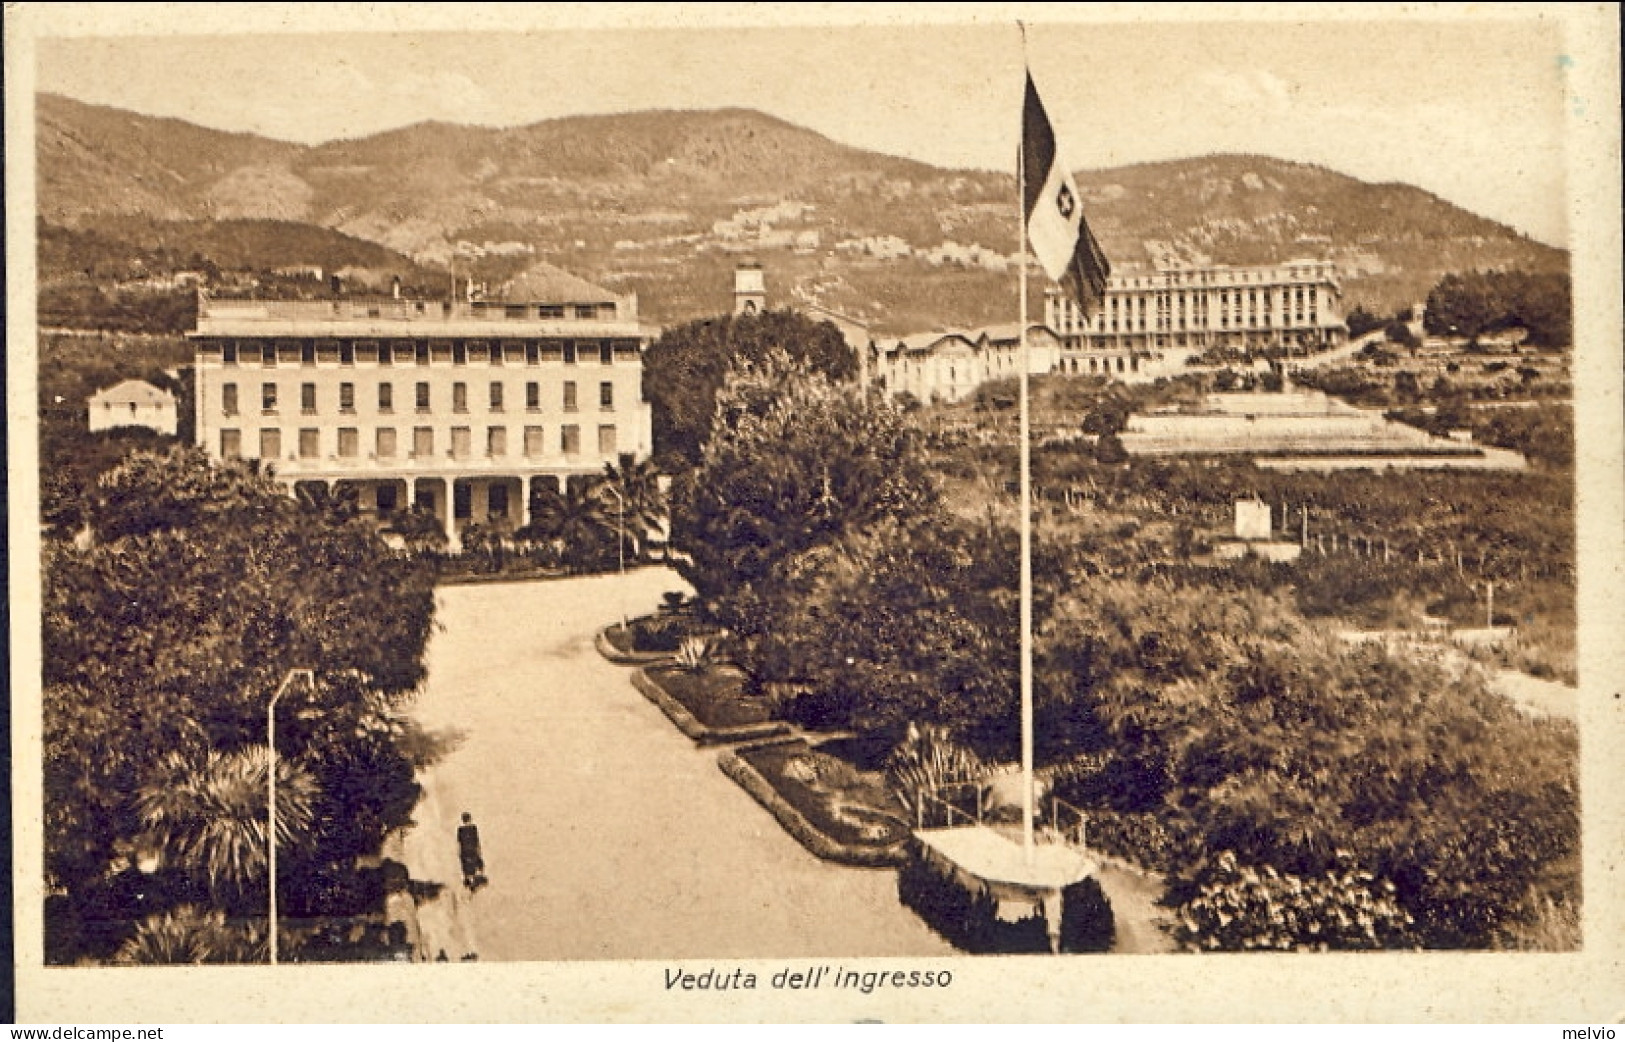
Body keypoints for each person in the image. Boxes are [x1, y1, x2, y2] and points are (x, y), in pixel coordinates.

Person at [457, 812, 485, 889]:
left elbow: (459, 842)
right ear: (469, 819)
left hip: (465, 850)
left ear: (463, 820)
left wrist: (459, 852)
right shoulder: (473, 828)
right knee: (475, 863)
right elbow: (476, 840)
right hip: (472, 849)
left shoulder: (460, 829)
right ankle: (475, 879)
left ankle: (469, 880)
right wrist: (479, 849)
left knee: (466, 865)